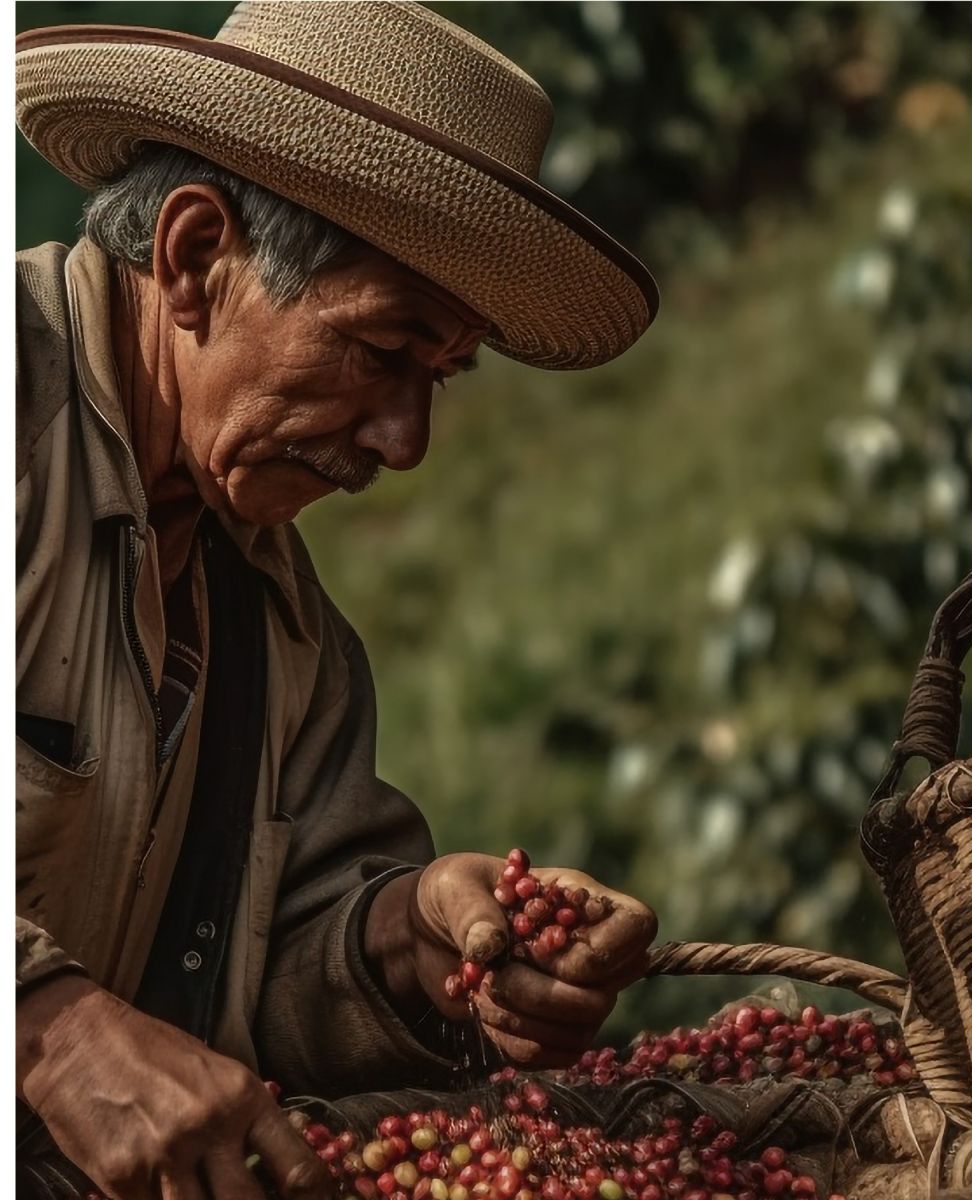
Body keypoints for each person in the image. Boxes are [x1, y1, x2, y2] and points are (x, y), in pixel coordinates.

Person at [14, 5, 660, 1199]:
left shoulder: (282, 632)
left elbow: (262, 980)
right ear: (196, 258)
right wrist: (47, 1029)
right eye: (379, 350)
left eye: (439, 378)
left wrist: (414, 939)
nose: (405, 443)